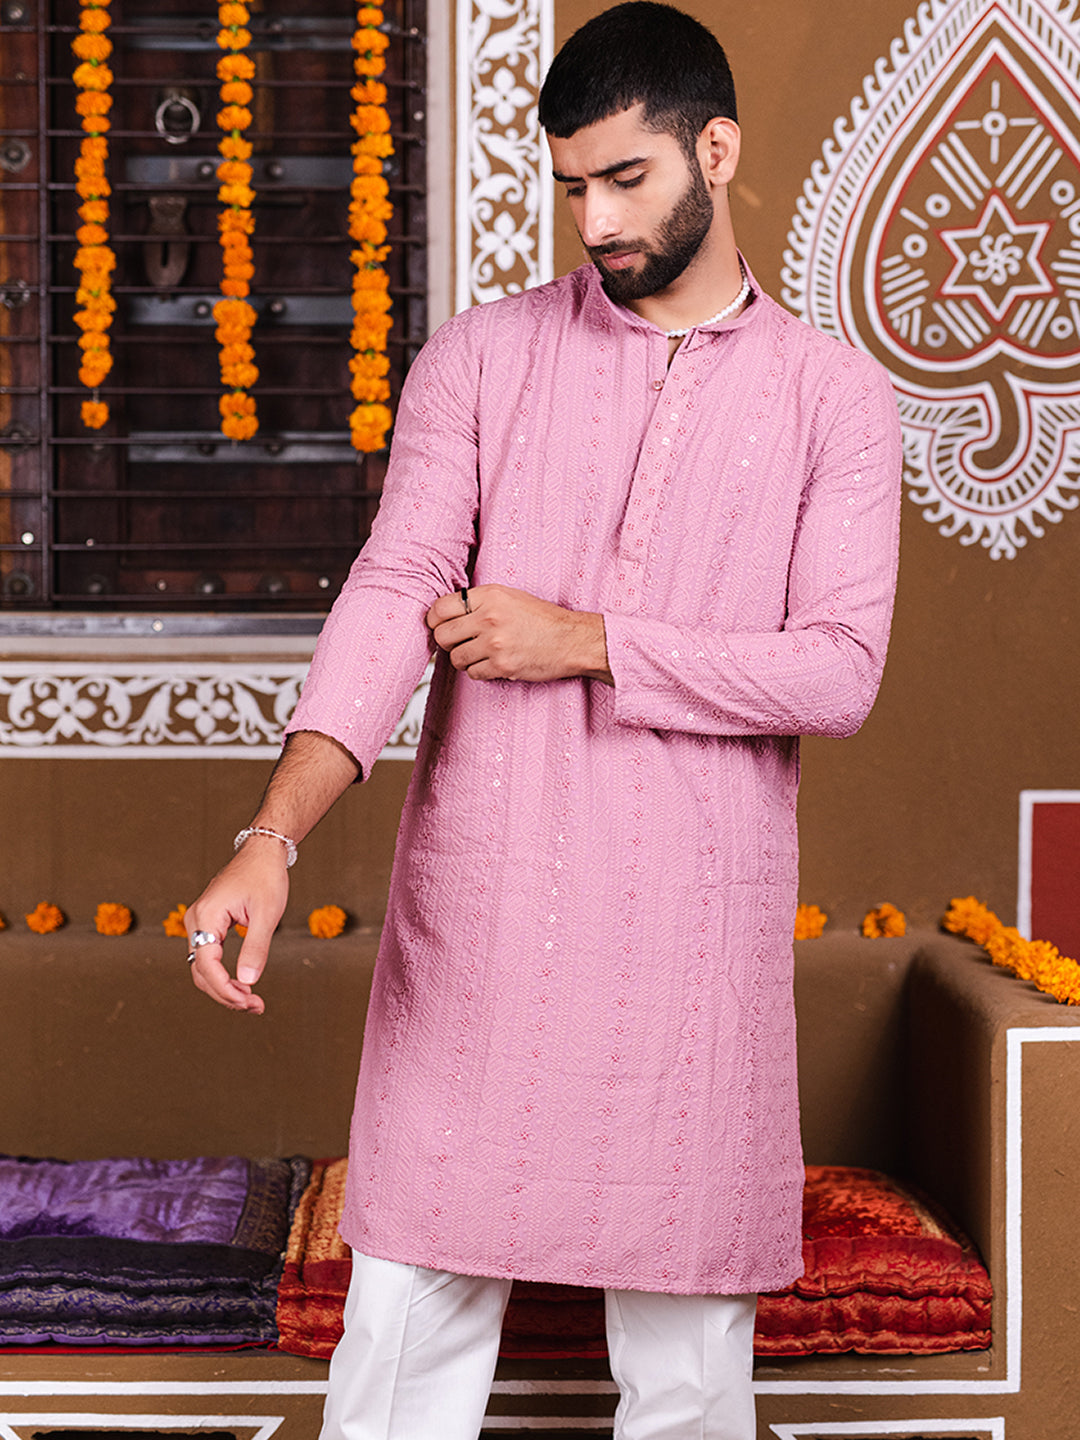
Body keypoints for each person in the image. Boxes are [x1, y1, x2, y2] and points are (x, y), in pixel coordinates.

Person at [185, 4, 901, 1436]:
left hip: (693, 948)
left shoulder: (834, 399)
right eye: (573, 185)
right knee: (399, 1341)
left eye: (628, 179)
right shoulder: (480, 359)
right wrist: (271, 837)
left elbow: (838, 672)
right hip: (486, 923)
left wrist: (588, 642)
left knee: (690, 1374)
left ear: (718, 150)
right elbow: (394, 590)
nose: (597, 221)